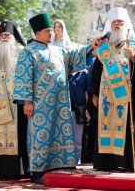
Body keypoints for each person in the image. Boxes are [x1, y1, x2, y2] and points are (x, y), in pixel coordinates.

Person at [12, 13, 96, 184]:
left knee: (62, 132)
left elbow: (73, 60)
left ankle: (62, 164)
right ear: (37, 33)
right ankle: (37, 169)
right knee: (40, 135)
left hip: (60, 102)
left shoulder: (58, 50)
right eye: (47, 30)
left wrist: (90, 47)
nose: (51, 33)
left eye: (51, 30)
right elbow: (23, 77)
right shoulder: (28, 52)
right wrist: (26, 101)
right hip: (39, 104)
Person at [91, 7, 135, 172]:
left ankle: (129, 162)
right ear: (110, 26)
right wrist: (95, 93)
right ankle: (107, 163)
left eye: (120, 22)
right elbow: (96, 70)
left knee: (127, 128)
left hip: (128, 98)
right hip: (106, 97)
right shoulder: (103, 46)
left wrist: (134, 58)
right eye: (114, 22)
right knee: (106, 125)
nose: (117, 24)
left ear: (126, 24)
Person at [0, 21, 28, 178]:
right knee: (1, 137)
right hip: (0, 106)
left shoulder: (23, 53)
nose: (4, 37)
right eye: (2, 35)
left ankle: (21, 170)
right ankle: (3, 171)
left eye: (7, 35)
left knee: (20, 137)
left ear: (13, 36)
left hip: (19, 105)